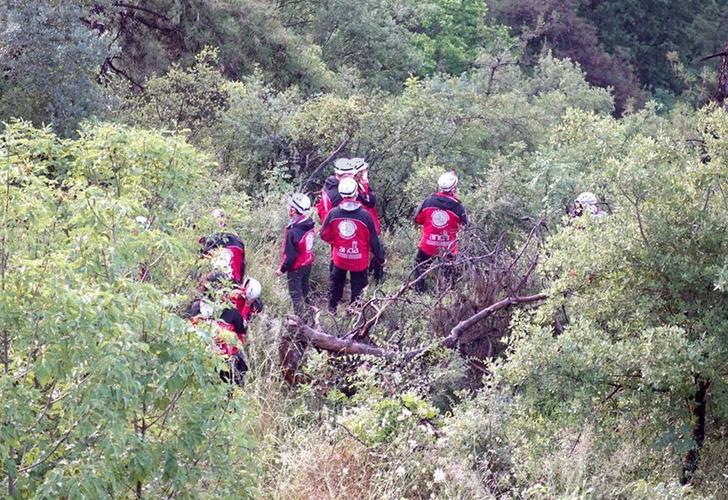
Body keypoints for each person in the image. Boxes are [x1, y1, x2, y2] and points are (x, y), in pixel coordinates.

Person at [320, 177, 385, 313]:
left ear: (341, 193)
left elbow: (324, 234)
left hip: (339, 258)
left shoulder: (333, 213)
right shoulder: (365, 216)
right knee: (358, 288)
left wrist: (337, 242)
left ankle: (332, 310)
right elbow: (373, 240)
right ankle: (353, 314)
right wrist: (380, 258)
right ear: (356, 193)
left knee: (336, 284)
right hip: (359, 261)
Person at [189, 272, 259, 386]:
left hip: (200, 359)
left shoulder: (196, 307)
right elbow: (243, 328)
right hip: (226, 361)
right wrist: (246, 306)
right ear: (223, 292)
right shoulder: (232, 312)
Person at [413, 171, 468, 292]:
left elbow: (417, 219)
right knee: (449, 271)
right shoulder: (459, 207)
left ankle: (418, 291)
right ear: (454, 188)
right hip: (448, 247)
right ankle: (447, 292)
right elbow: (465, 226)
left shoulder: (428, 202)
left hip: (428, 245)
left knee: (419, 265)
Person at [275, 193, 316, 317]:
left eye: (290, 206)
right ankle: (312, 314)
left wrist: (281, 270)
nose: (288, 208)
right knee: (305, 290)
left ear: (293, 210)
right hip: (307, 263)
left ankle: (301, 323)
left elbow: (291, 256)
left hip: (296, 268)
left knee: (295, 294)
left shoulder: (293, 231)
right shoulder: (309, 223)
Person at [351, 157, 384, 282]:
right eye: (364, 171)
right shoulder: (354, 188)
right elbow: (369, 202)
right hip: (364, 225)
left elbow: (372, 199)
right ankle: (371, 278)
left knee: (376, 251)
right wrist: (365, 183)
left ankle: (375, 277)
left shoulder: (362, 185)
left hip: (371, 222)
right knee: (373, 250)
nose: (366, 173)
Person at [198, 208, 246, 283]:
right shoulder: (238, 240)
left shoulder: (211, 239)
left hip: (217, 278)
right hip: (235, 281)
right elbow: (242, 266)